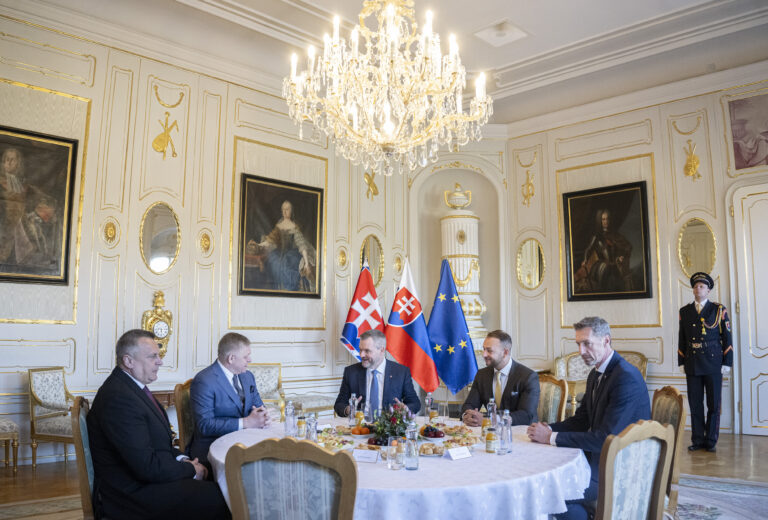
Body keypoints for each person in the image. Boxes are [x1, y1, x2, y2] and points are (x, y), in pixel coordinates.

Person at [87, 329, 229, 520]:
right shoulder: (118, 397)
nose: (160, 361)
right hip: (130, 495)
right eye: (152, 356)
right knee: (222, 497)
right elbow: (146, 467)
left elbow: (159, 445)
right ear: (129, 361)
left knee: (217, 477)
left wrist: (183, 460)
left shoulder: (132, 388)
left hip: (145, 480)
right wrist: (190, 470)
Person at [527, 317, 650, 520]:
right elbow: (582, 420)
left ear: (606, 340)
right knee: (543, 477)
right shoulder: (595, 374)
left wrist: (550, 437)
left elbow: (605, 438)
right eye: (578, 344)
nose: (581, 351)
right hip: (601, 458)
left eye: (587, 344)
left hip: (621, 468)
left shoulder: (625, 377)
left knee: (549, 494)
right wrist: (549, 428)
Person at [188, 332, 270, 467]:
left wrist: (263, 416)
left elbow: (258, 405)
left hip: (246, 443)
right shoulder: (204, 381)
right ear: (231, 358)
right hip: (213, 449)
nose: (250, 360)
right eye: (246, 356)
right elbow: (205, 425)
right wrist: (246, 422)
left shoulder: (248, 376)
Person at [678, 271, 733, 453]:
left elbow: (727, 337)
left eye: (701, 286)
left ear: (708, 290)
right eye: (695, 286)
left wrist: (727, 362)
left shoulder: (719, 310)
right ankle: (697, 439)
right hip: (692, 362)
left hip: (713, 362)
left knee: (713, 404)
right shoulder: (685, 311)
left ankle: (710, 440)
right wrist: (681, 360)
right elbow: (682, 337)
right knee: (695, 404)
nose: (698, 289)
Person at [460, 329, 539, 426]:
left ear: (505, 352)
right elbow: (469, 405)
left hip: (520, 431)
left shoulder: (528, 377)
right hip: (489, 432)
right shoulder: (482, 374)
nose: (484, 354)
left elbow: (526, 415)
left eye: (489, 350)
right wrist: (466, 416)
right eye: (484, 349)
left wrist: (489, 420)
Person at [334, 329, 421, 416]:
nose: (361, 355)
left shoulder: (401, 372)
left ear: (382, 350)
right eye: (360, 350)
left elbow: (415, 403)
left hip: (389, 423)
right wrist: (348, 409)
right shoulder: (351, 372)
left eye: (367, 351)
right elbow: (339, 404)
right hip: (361, 423)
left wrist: (406, 409)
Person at [246, 199, 316, 292]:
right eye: (283, 209)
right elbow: (271, 240)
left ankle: (291, 288)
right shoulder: (280, 224)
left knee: (287, 262)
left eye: (287, 209)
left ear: (291, 211)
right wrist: (259, 245)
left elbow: (301, 244)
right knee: (272, 259)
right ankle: (278, 290)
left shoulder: (295, 225)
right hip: (281, 252)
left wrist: (307, 263)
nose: (285, 212)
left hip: (294, 253)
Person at [575, 209, 633, 293]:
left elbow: (628, 247)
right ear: (600, 221)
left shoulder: (615, 235)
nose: (606, 221)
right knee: (605, 277)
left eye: (607, 219)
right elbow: (589, 249)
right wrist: (585, 259)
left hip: (615, 264)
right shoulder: (597, 236)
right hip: (602, 265)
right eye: (603, 219)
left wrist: (622, 256)